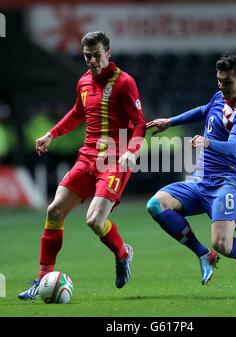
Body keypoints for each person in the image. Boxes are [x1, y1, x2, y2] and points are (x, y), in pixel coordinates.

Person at [18, 31, 146, 300]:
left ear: (108, 54)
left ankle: (123, 254)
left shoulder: (125, 83)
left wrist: (131, 151)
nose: (92, 61)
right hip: (87, 158)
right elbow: (77, 113)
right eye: (87, 56)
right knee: (54, 211)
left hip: (114, 159)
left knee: (94, 220)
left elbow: (139, 123)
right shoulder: (84, 82)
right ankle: (41, 279)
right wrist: (51, 134)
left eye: (97, 55)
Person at [146, 54, 236, 288]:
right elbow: (204, 110)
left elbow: (234, 149)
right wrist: (170, 121)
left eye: (227, 82)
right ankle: (203, 254)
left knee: (223, 244)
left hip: (226, 183)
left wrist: (208, 142)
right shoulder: (219, 97)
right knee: (155, 204)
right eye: (219, 81)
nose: (222, 87)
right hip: (199, 181)